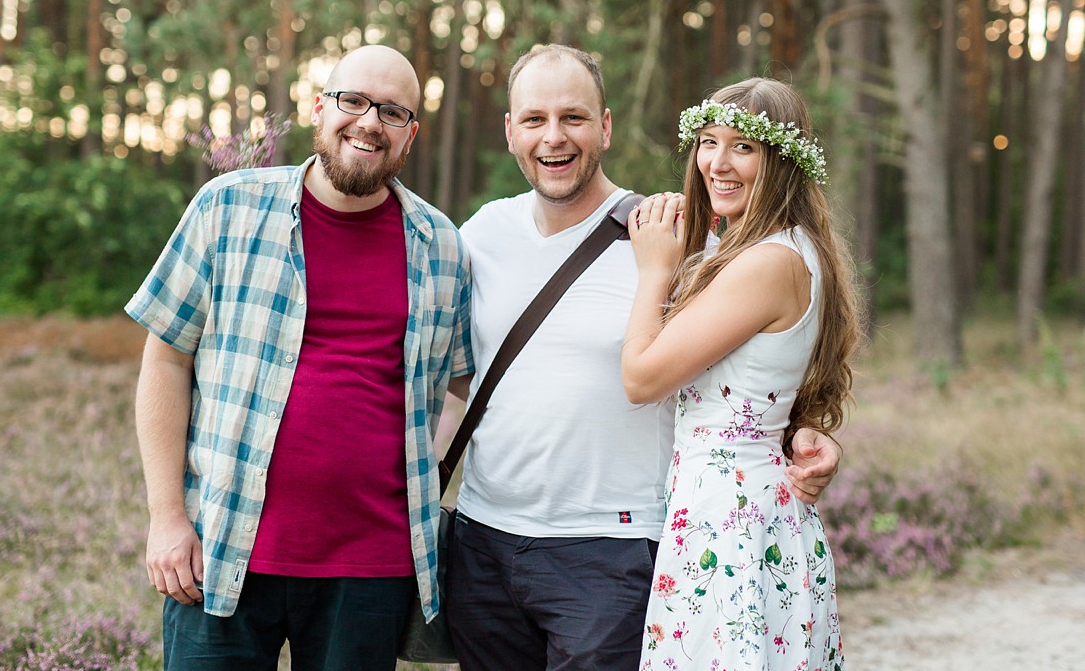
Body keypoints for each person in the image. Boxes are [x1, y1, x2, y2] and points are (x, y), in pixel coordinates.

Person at [442, 45, 844, 671]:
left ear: (605, 126)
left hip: (613, 551)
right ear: (510, 131)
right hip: (483, 544)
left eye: (574, 117)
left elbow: (771, 351)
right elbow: (453, 380)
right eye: (534, 119)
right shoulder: (479, 235)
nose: (554, 137)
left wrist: (806, 428)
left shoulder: (681, 236)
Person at [126, 44, 473, 671]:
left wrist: (416, 481)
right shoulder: (226, 208)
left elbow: (456, 387)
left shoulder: (441, 245)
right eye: (354, 101)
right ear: (321, 108)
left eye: (392, 112)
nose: (369, 121)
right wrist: (166, 517)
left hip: (370, 570)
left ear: (410, 134)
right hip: (222, 550)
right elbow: (165, 361)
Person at [622, 78, 862, 670]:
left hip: (731, 521)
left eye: (743, 147)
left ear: (782, 161)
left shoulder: (767, 263)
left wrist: (654, 269)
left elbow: (642, 379)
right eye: (708, 142)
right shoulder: (786, 248)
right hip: (744, 511)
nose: (717, 163)